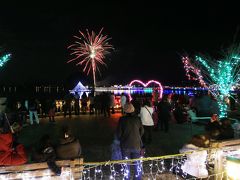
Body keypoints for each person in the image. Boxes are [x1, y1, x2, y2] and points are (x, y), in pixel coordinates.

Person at [117, 102, 144, 180]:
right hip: (136, 145)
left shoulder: (122, 119)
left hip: (125, 145)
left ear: (125, 110)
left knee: (126, 166)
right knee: (137, 165)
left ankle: (127, 178)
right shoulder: (137, 119)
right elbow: (142, 131)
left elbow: (118, 133)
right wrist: (137, 136)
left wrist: (122, 139)